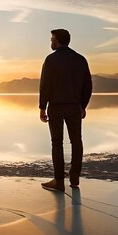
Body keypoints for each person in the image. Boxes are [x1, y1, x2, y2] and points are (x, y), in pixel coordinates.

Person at [39, 29, 92, 192]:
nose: (51, 42)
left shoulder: (51, 60)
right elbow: (88, 86)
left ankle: (59, 181)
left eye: (52, 39)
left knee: (57, 143)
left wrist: (42, 107)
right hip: (74, 106)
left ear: (58, 41)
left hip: (56, 106)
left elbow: (45, 85)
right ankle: (74, 177)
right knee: (76, 141)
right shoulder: (80, 59)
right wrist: (82, 106)